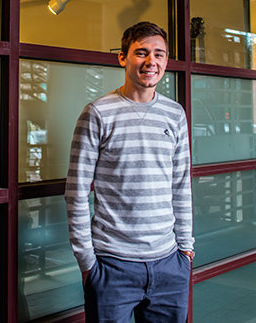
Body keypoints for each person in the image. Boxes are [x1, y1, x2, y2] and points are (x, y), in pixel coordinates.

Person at [65, 22, 194, 323]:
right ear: (122, 58)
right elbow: (76, 192)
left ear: (166, 61)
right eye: (142, 53)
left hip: (169, 264)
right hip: (112, 267)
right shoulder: (98, 112)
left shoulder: (175, 114)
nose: (152, 61)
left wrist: (185, 250)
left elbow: (181, 186)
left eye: (159, 54)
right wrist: (87, 262)